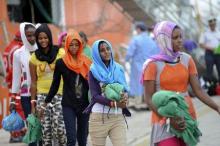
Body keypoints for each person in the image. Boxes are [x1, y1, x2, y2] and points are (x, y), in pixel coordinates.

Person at [142, 21, 220, 146]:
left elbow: (198, 90)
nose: (179, 40)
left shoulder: (187, 59)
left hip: (186, 117)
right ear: (164, 39)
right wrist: (168, 118)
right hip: (163, 121)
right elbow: (148, 98)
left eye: (180, 37)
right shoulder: (152, 65)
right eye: (174, 38)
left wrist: (217, 107)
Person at [43, 30, 91, 146]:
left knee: (83, 139)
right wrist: (46, 101)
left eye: (76, 44)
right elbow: (55, 84)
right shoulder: (61, 62)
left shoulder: (86, 62)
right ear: (66, 45)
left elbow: (92, 84)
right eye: (71, 44)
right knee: (71, 138)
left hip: (84, 104)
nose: (74, 47)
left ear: (80, 45)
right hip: (68, 104)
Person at [83, 39, 131, 146]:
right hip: (99, 118)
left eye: (108, 48)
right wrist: (114, 104)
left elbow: (125, 88)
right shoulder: (93, 71)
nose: (106, 52)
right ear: (97, 53)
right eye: (102, 50)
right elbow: (95, 96)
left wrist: (125, 97)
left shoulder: (118, 68)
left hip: (118, 117)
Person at [29, 24, 66, 146]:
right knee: (46, 133)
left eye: (45, 37)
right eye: (40, 38)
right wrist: (33, 103)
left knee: (60, 129)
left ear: (50, 38)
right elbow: (33, 82)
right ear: (37, 40)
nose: (43, 40)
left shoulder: (61, 52)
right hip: (41, 97)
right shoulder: (34, 58)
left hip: (59, 95)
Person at [11, 23, 37, 144]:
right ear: (23, 36)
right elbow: (16, 78)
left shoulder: (42, 49)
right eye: (28, 35)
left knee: (44, 126)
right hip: (26, 96)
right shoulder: (18, 54)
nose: (32, 38)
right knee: (31, 125)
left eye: (34, 35)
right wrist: (12, 99)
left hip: (41, 93)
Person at [125, 21, 159, 109]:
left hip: (137, 66)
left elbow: (130, 53)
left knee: (137, 83)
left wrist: (126, 59)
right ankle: (147, 102)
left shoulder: (136, 39)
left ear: (138, 29)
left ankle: (138, 103)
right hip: (149, 65)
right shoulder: (151, 40)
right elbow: (156, 52)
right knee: (147, 83)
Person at [199, 16, 220, 83]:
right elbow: (201, 44)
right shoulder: (205, 33)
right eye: (211, 22)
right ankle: (210, 86)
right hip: (209, 53)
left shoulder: (218, 32)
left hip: (218, 53)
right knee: (209, 71)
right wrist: (211, 48)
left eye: (214, 22)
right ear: (209, 24)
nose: (212, 23)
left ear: (215, 24)